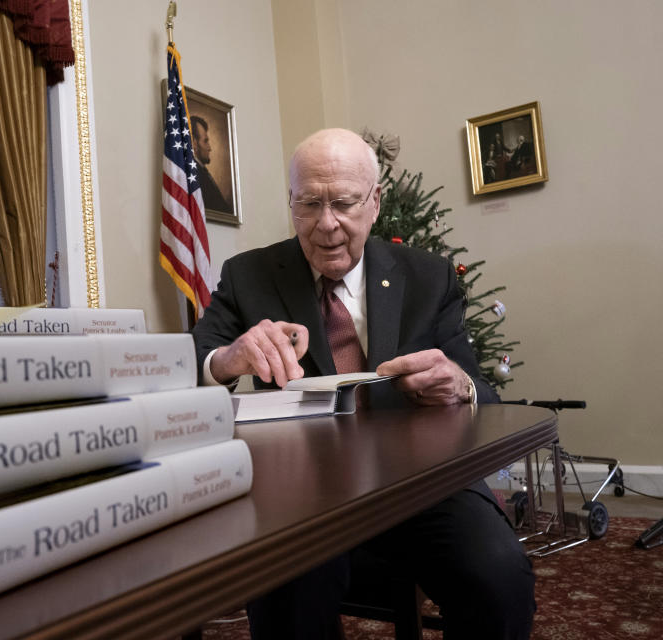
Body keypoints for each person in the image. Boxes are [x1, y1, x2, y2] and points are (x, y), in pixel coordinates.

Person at [191, 128, 535, 639]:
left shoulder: (428, 276)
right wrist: (226, 359)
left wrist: (457, 385)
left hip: (424, 485)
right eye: (309, 203)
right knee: (286, 593)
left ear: (374, 203)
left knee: (500, 579)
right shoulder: (249, 275)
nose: (326, 224)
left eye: (344, 203)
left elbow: (482, 394)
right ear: (291, 204)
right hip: (299, 495)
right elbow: (189, 361)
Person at [190, 115, 233, 213]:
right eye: (205, 141)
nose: (209, 148)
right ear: (194, 143)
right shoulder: (195, 175)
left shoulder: (202, 172)